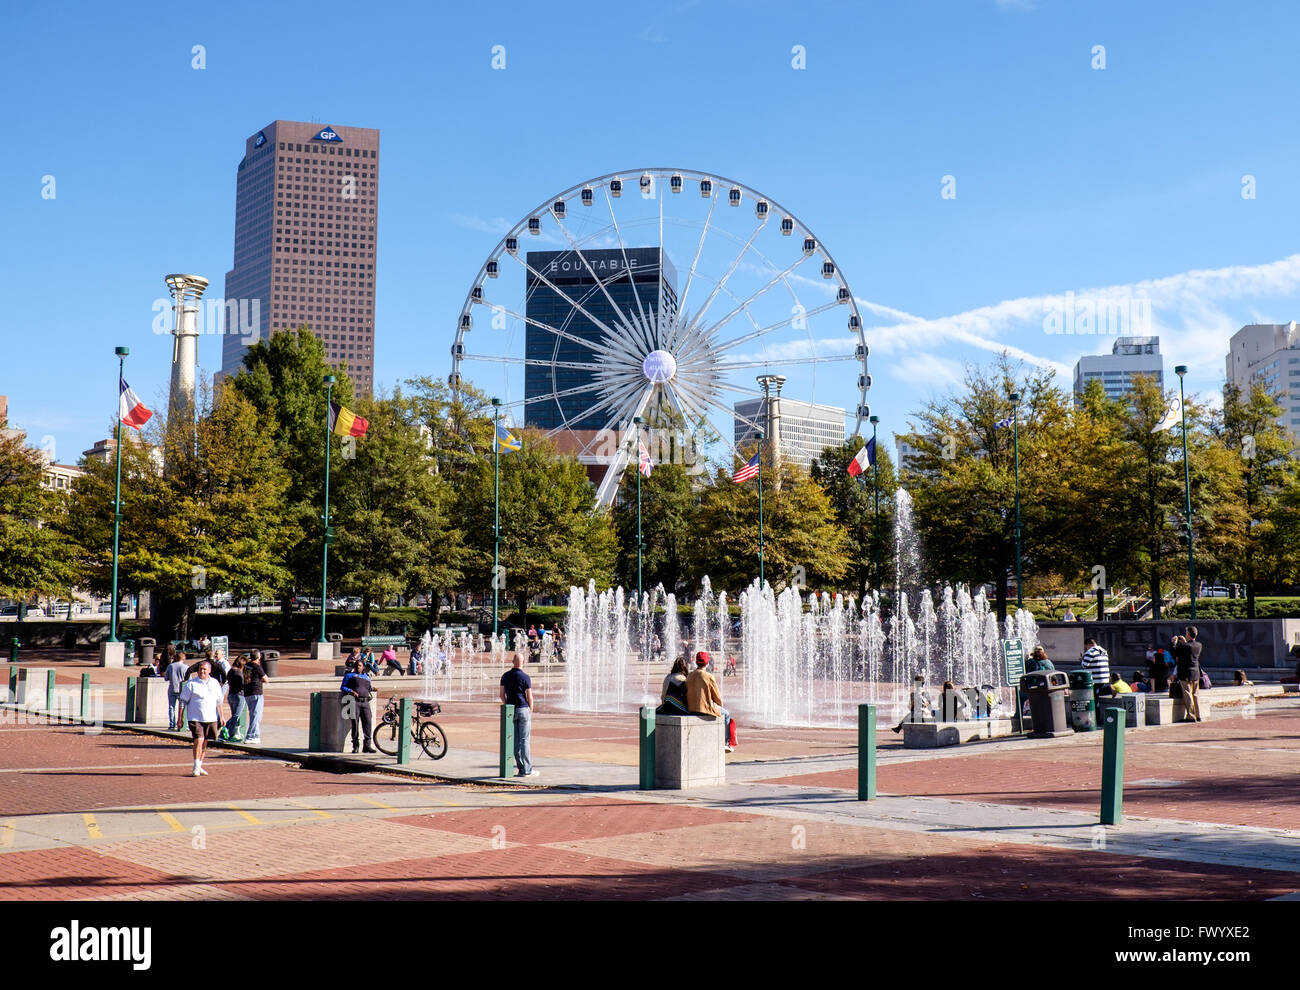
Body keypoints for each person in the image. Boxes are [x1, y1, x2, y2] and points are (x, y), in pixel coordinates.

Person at [178, 660, 225, 777]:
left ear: (209, 671)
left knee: (205, 742)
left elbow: (219, 701)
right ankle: (195, 766)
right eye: (200, 669)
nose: (202, 671)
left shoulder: (214, 683)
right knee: (198, 740)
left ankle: (199, 765)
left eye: (204, 669)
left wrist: (222, 716)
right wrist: (180, 718)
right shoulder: (191, 684)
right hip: (195, 717)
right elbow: (183, 701)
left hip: (211, 717)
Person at [686, 651, 735, 752]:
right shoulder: (708, 676)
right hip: (704, 708)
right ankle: (725, 743)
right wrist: (718, 705)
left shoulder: (690, 675)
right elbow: (717, 697)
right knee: (726, 714)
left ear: (696, 662)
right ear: (707, 663)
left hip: (690, 708)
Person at [499, 653, 537, 776]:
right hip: (523, 709)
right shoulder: (525, 677)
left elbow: (501, 695)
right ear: (523, 662)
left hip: (511, 710)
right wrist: (530, 711)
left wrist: (507, 705)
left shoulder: (505, 676)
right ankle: (527, 769)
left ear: (512, 662)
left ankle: (521, 768)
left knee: (514, 742)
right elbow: (529, 697)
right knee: (525, 740)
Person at [340, 659, 376, 754]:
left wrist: (372, 689)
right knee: (355, 723)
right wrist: (351, 691)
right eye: (357, 666)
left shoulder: (366, 676)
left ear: (363, 667)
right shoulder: (349, 675)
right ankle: (355, 745)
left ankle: (367, 745)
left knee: (368, 723)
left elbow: (367, 687)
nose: (358, 667)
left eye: (360, 666)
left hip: (365, 702)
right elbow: (343, 687)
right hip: (355, 701)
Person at [1174, 626, 1203, 722]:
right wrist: (1184, 642)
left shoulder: (1184, 646)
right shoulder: (1199, 645)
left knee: (1187, 694)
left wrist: (1174, 643)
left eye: (1186, 632)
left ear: (1189, 634)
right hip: (1195, 673)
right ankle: (1198, 715)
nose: (1185, 634)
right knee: (1195, 694)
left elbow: (1175, 652)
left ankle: (1191, 715)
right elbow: (1188, 651)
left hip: (1185, 673)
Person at [242, 650, 267, 743]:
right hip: (256, 692)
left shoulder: (247, 666)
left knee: (253, 714)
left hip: (248, 692)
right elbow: (265, 678)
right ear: (258, 657)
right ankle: (252, 735)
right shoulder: (257, 667)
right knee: (256, 715)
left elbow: (245, 677)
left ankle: (254, 734)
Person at [222, 656, 246, 741]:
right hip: (239, 695)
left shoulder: (230, 671)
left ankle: (225, 731)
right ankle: (230, 734)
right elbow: (242, 685)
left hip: (231, 694)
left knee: (234, 716)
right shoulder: (238, 673)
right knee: (236, 716)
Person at [164, 651, 189, 731]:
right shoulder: (186, 667)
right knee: (183, 707)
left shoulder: (170, 666)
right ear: (183, 658)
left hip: (172, 688)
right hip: (182, 689)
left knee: (171, 707)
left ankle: (172, 724)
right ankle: (184, 723)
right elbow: (189, 679)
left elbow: (166, 678)